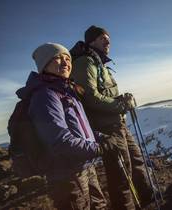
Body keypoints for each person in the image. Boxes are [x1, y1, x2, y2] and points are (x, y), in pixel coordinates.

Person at [17, 43, 110, 210]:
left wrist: (100, 138)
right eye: (58, 58)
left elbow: (81, 129)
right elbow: (59, 141)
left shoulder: (68, 91)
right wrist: (98, 148)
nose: (65, 62)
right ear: (44, 65)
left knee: (99, 206)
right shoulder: (45, 96)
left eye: (68, 58)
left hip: (84, 164)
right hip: (66, 174)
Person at [70, 26, 153, 210]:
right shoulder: (85, 63)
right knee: (121, 174)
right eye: (102, 38)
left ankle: (148, 198)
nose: (108, 42)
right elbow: (90, 97)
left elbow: (104, 93)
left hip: (118, 122)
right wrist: (121, 105)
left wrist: (121, 99)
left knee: (137, 160)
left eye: (108, 38)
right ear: (91, 41)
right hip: (107, 128)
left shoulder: (101, 64)